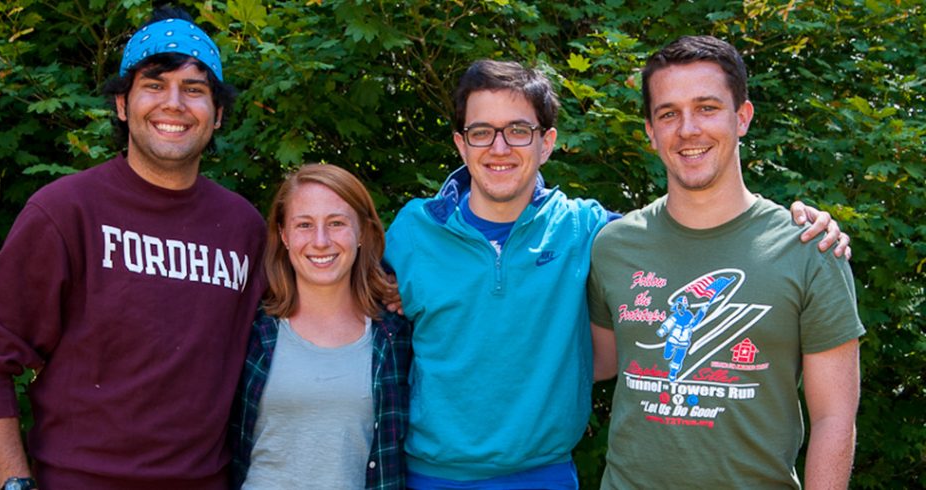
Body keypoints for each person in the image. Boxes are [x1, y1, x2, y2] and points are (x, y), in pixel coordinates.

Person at [385, 60, 849, 488]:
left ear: (547, 143)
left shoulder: (589, 230)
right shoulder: (412, 231)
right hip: (431, 474)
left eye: (518, 130)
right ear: (460, 143)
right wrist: (384, 293)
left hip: (545, 473)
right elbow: (353, 310)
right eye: (482, 131)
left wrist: (805, 224)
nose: (499, 147)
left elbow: (692, 228)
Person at [0, 7, 266, 489]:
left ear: (218, 114)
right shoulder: (66, 212)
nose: (174, 103)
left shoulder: (245, 229)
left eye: (195, 90)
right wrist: (15, 483)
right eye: (155, 85)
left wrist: (388, 294)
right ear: (123, 104)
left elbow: (304, 313)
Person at [587, 35, 863, 488]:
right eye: (668, 113)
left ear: (743, 118)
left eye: (707, 108)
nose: (688, 129)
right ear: (650, 132)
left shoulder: (809, 247)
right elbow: (596, 362)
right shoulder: (614, 245)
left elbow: (834, 417)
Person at [232, 164, 412, 489]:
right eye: (304, 224)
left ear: (363, 233)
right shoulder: (252, 328)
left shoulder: (396, 336)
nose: (320, 241)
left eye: (337, 223)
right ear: (284, 235)